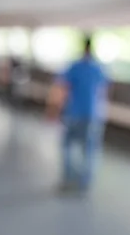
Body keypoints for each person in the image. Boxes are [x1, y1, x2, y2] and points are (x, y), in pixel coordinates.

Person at [47, 36, 109, 192]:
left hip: (74, 113)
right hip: (93, 115)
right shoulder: (99, 69)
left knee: (67, 146)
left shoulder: (74, 67)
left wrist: (53, 110)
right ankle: (85, 182)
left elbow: (61, 89)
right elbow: (103, 92)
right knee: (89, 149)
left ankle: (68, 179)